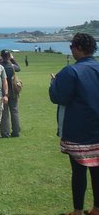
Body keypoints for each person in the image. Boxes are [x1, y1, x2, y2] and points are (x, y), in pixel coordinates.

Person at [49, 33, 99, 215]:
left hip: (78, 130)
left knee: (78, 172)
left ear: (77, 48)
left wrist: (53, 84)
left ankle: (77, 211)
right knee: (97, 172)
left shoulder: (71, 71)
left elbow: (59, 97)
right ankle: (96, 208)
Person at [0, 50, 21, 138]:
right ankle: (16, 132)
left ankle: (5, 133)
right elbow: (18, 68)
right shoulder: (11, 66)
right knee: (14, 112)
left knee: (4, 113)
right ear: (8, 56)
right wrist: (12, 59)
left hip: (3, 92)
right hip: (13, 91)